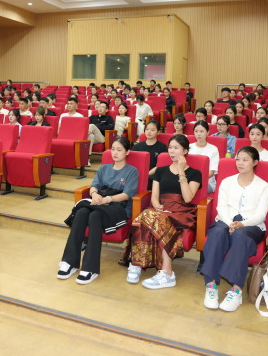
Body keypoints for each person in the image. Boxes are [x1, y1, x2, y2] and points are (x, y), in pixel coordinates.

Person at [58, 137, 139, 284]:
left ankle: (90, 268)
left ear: (127, 152)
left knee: (95, 215)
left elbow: (127, 194)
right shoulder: (103, 168)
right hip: (100, 201)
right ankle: (70, 262)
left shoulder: (132, 171)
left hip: (118, 207)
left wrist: (108, 199)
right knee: (82, 212)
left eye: (119, 150)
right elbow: (94, 186)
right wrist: (94, 194)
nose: (115, 153)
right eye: (113, 149)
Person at [201, 146, 268, 312]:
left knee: (240, 236)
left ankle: (236, 290)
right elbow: (221, 207)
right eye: (238, 159)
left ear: (255, 162)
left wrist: (242, 224)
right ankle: (211, 286)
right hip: (226, 221)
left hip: (252, 226)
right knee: (217, 232)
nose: (240, 163)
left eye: (245, 160)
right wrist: (230, 223)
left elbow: (261, 215)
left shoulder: (263, 186)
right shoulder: (227, 182)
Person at [127, 135, 201, 288]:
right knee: (143, 217)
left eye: (176, 148)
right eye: (170, 148)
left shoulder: (195, 173)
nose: (172, 151)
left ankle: (167, 273)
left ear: (185, 151)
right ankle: (137, 263)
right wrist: (156, 205)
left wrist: (181, 172)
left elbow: (188, 198)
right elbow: (154, 196)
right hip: (160, 209)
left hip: (181, 212)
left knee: (151, 217)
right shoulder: (160, 170)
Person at [189, 121, 220, 193]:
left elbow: (211, 172)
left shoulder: (213, 149)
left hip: (207, 182)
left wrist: (195, 180)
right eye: (196, 131)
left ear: (208, 132)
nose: (198, 134)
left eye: (201, 131)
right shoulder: (189, 147)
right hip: (189, 180)